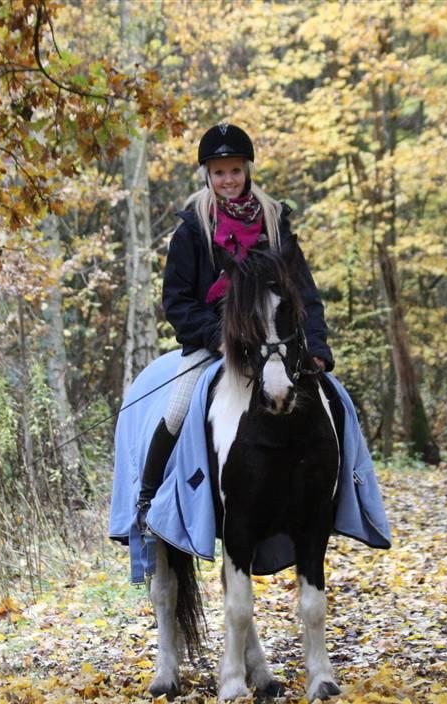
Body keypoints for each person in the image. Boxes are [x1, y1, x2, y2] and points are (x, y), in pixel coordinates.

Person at [135, 123, 334, 527]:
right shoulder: (192, 227)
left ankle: (346, 490)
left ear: (247, 171)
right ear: (207, 175)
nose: (228, 179)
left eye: (235, 170)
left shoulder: (275, 221)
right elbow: (176, 300)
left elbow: (304, 294)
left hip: (276, 342)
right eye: (220, 171)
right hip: (214, 343)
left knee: (337, 403)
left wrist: (316, 347)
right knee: (176, 410)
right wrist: (218, 337)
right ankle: (148, 501)